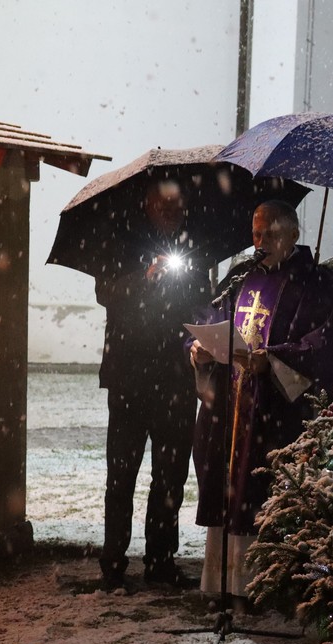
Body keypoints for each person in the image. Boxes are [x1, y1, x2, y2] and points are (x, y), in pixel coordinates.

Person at [189, 200, 333, 603]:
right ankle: (225, 583)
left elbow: (327, 343)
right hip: (231, 403)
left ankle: (269, 586)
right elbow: (209, 320)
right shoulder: (240, 275)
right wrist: (198, 348)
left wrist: (276, 357)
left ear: (294, 235)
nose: (261, 242)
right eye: (256, 233)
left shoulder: (316, 283)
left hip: (277, 411)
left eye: (271, 234)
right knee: (229, 486)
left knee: (263, 491)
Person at [97, 179, 212, 591]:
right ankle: (113, 561)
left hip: (175, 379)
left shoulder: (193, 249)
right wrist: (144, 278)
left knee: (170, 475)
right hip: (129, 377)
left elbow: (203, 303)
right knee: (121, 472)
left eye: (177, 206)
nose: (173, 212)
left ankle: (160, 560)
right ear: (147, 205)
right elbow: (106, 292)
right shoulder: (120, 239)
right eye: (165, 205)